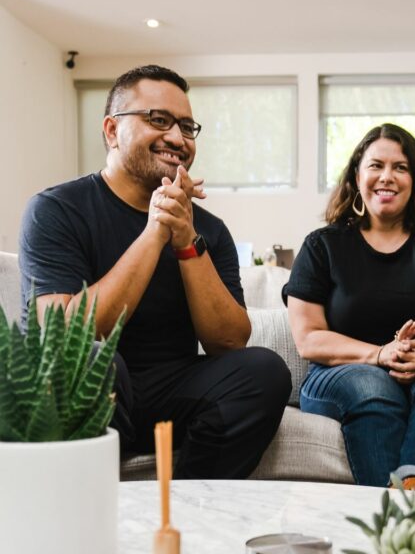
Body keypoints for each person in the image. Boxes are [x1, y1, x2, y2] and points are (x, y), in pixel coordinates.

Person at [19, 65, 291, 479]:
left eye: (186, 126)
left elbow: (230, 341)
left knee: (264, 370)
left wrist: (185, 238)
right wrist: (155, 231)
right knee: (90, 360)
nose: (178, 138)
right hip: (98, 392)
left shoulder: (208, 230)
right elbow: (62, 338)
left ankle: (188, 508)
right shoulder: (56, 210)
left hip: (174, 393)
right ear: (112, 130)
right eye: (158, 120)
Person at [283, 123, 415, 492]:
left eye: (401, 167)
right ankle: (407, 525)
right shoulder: (323, 245)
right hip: (344, 374)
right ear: (357, 176)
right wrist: (380, 354)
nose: (387, 177)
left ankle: (402, 514)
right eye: (376, 165)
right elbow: (309, 339)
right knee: (372, 384)